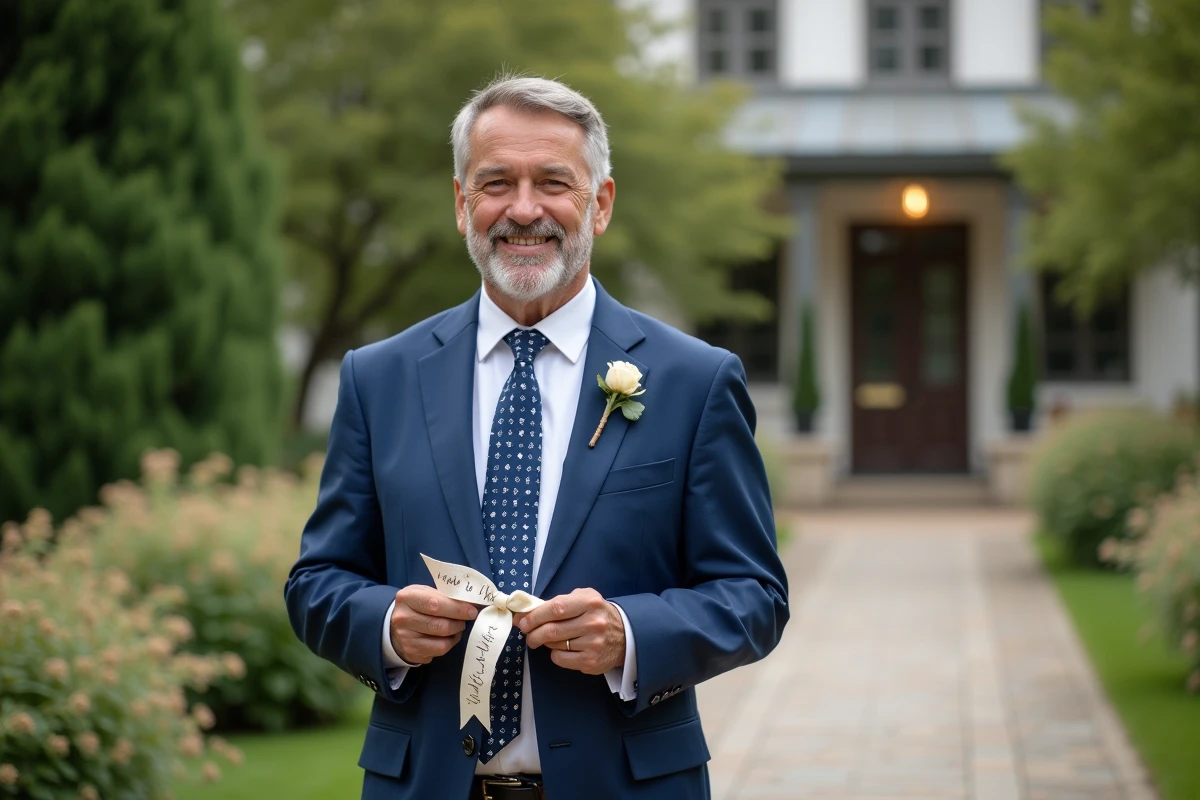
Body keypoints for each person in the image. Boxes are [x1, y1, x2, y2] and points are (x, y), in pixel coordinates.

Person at [286, 75, 789, 800]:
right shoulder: (380, 378)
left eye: (554, 181)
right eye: (496, 183)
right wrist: (386, 624)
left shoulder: (694, 380)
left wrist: (631, 633)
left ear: (601, 203)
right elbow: (316, 583)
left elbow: (755, 595)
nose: (524, 210)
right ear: (463, 204)